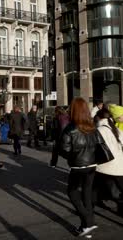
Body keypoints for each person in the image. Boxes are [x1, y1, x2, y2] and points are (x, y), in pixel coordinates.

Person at [60, 97, 98, 237]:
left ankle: (88, 221)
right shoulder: (92, 126)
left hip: (78, 166)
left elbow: (64, 150)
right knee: (86, 194)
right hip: (92, 164)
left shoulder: (70, 128)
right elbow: (99, 145)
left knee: (72, 192)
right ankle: (86, 227)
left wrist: (72, 157)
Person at [94, 108, 123, 215]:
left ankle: (88, 210)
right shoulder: (115, 128)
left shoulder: (99, 130)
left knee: (96, 187)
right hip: (119, 165)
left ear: (99, 118)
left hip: (105, 166)